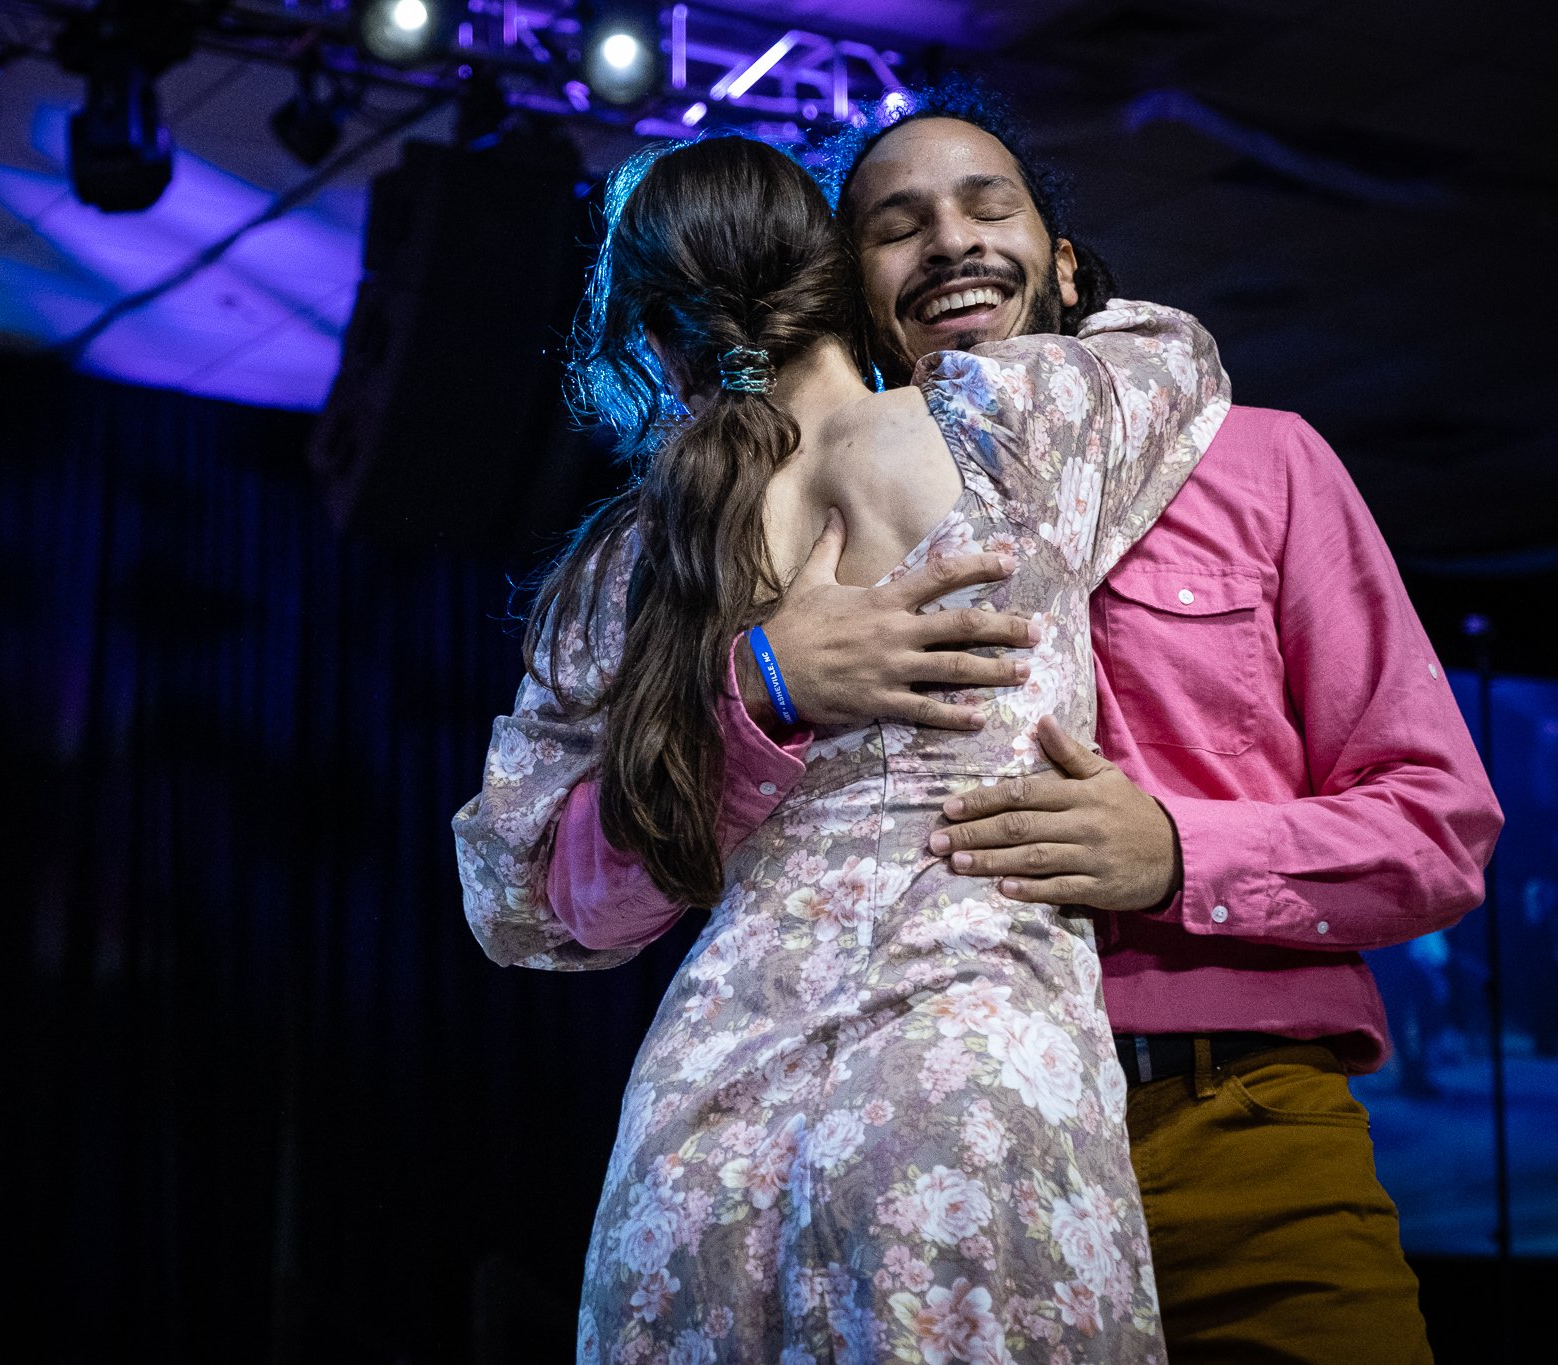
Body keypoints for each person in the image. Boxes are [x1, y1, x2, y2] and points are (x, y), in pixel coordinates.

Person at [463, 80, 1505, 1364]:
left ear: (1064, 261)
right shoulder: (746, 542)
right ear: (836, 281)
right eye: (897, 223)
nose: (949, 240)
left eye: (985, 204)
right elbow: (543, 894)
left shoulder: (1263, 464)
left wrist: (1180, 856)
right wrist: (753, 693)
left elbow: (1437, 825)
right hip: (898, 1120)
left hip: (1232, 1129)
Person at [453, 132, 1229, 1363]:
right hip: (967, 1068)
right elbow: (1175, 355)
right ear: (835, 276)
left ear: (650, 338)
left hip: (704, 1116)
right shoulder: (1003, 421)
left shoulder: (633, 559)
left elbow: (520, 901)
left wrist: (748, 688)